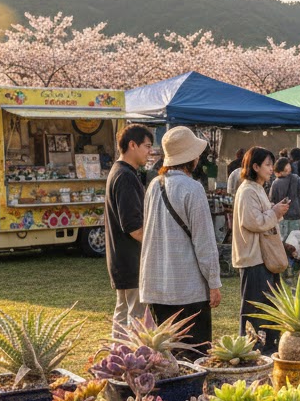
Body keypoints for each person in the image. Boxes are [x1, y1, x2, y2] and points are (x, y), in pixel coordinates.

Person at [139, 126, 221, 354]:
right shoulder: (193, 189)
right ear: (191, 157)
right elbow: (204, 241)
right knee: (195, 356)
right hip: (188, 289)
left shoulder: (153, 186)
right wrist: (214, 282)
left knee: (166, 358)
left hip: (156, 286)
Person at [232, 147, 288, 353]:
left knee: (268, 306)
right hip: (253, 257)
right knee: (254, 309)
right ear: (255, 167)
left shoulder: (257, 188)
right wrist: (275, 212)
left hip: (263, 258)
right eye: (267, 164)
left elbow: (261, 218)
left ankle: (269, 347)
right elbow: (253, 222)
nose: (271, 169)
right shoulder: (248, 190)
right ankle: (252, 349)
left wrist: (275, 211)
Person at [105, 123, 152, 334]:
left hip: (122, 260)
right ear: (132, 145)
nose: (150, 152)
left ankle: (117, 352)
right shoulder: (125, 176)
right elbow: (134, 227)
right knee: (136, 322)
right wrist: (156, 245)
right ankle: (128, 355)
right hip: (132, 260)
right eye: (147, 146)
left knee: (123, 316)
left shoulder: (120, 172)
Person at [269, 156, 300, 241]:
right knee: (294, 241)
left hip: (281, 216)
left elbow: (272, 200)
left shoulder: (275, 183)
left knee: (282, 241)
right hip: (295, 215)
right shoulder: (297, 179)